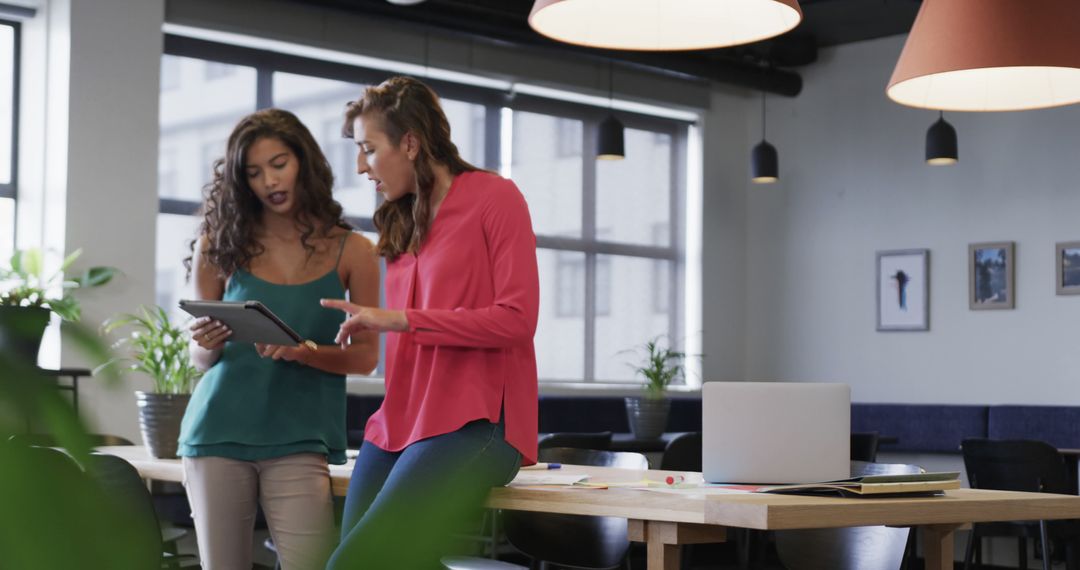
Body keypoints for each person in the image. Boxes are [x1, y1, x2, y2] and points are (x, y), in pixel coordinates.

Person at [322, 76, 539, 569]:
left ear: (411, 143)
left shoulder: (494, 197)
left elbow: (517, 320)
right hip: (398, 423)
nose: (360, 166)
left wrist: (400, 319)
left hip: (479, 425)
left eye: (369, 149)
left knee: (351, 565)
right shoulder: (400, 220)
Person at [179, 108, 380, 570]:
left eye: (278, 163)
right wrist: (206, 339)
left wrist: (303, 352)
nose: (268, 180)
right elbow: (200, 360)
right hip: (217, 434)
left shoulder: (354, 251)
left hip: (300, 440)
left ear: (304, 162)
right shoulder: (221, 241)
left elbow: (367, 357)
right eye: (253, 172)